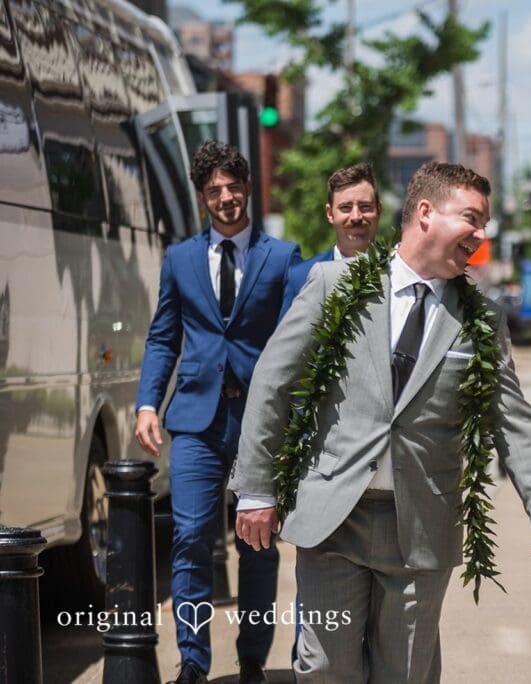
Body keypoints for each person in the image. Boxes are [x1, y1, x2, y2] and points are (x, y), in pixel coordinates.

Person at [228, 161, 531, 682]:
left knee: (406, 671)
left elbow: (514, 425)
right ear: (425, 213)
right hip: (334, 518)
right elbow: (272, 381)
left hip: (420, 524)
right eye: (471, 218)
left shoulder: (481, 316)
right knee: (325, 667)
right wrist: (256, 488)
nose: (481, 234)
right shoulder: (333, 284)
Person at [134, 141, 301, 684]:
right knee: (189, 538)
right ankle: (193, 662)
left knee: (257, 541)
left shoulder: (282, 257)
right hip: (196, 421)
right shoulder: (180, 259)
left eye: (233, 187)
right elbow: (163, 338)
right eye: (214, 191)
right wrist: (146, 404)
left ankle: (252, 657)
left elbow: (297, 340)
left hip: (259, 422)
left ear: (247, 188)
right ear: (202, 197)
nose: (225, 198)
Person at [280, 162, 382, 314]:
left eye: (365, 207)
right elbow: (287, 337)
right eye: (345, 208)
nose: (356, 217)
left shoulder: (398, 272)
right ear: (330, 213)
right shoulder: (301, 277)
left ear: (379, 210)